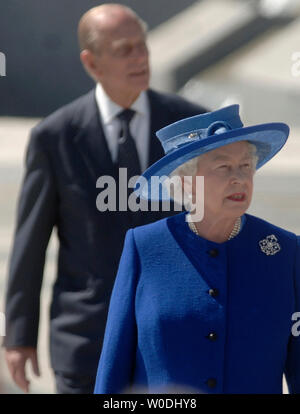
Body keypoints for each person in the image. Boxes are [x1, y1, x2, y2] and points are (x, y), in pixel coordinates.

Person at [3, 4, 206, 394]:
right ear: (91, 62)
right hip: (85, 343)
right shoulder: (55, 136)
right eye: (124, 49)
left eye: (142, 45)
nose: (140, 57)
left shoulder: (190, 129)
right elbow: (30, 243)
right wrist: (19, 335)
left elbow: (218, 229)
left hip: (173, 340)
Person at [93, 104, 300, 394]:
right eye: (223, 167)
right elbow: (113, 367)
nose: (239, 178)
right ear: (186, 181)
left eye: (245, 166)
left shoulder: (285, 251)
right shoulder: (144, 246)